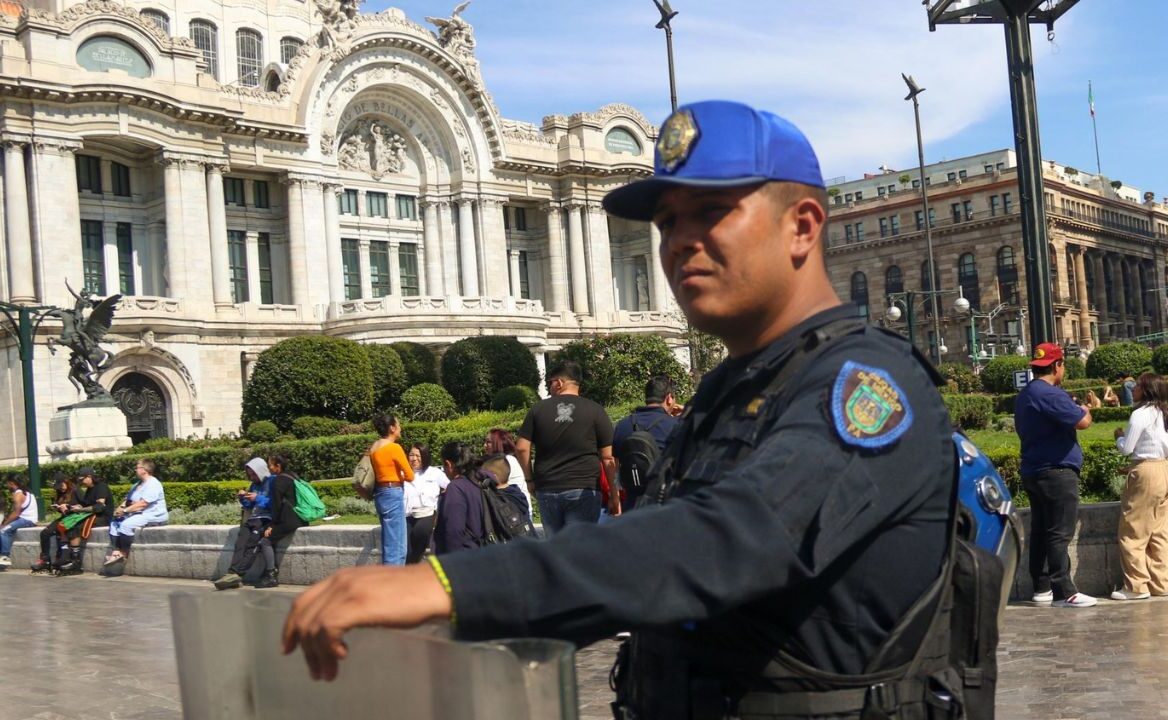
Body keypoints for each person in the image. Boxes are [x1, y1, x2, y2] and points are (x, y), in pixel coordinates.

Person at [283, 101, 968, 718]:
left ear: (802, 226)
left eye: (711, 212)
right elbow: (651, 568)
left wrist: (452, 584)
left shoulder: (869, 386)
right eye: (668, 220)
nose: (678, 242)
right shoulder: (736, 391)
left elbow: (724, 542)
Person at [1015, 342, 1096, 608]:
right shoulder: (1051, 394)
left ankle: (1041, 589)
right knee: (1060, 532)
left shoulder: (1026, 394)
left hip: (1033, 470)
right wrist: (1084, 410)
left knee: (1040, 530)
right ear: (1057, 365)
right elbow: (1082, 422)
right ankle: (1065, 590)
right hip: (1058, 471)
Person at [514, 360, 618, 534]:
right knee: (580, 547)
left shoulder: (538, 410)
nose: (549, 387)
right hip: (584, 487)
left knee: (556, 547)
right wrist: (614, 495)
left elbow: (521, 448)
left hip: (547, 487)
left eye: (550, 382)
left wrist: (530, 480)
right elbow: (608, 458)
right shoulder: (595, 410)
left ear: (560, 383)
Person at [1111, 373, 1168, 600]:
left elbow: (1127, 449)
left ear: (1145, 390)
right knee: (1159, 531)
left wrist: (1119, 437)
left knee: (1132, 530)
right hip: (1164, 468)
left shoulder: (1140, 414)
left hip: (1145, 471)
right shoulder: (1163, 413)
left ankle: (1136, 586)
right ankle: (1160, 583)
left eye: (1136, 387)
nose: (1132, 389)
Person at [612, 375, 682, 511]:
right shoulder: (676, 426)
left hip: (632, 505)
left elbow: (616, 464)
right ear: (669, 398)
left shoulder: (623, 425)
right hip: (666, 505)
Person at [214, 457, 274, 590]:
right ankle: (232, 572)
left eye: (254, 474)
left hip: (265, 519)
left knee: (252, 544)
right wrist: (243, 498)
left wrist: (257, 498)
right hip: (253, 518)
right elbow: (249, 505)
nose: (252, 477)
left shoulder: (272, 482)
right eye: (250, 474)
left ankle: (238, 574)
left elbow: (275, 503)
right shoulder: (253, 485)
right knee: (240, 543)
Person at [104, 459, 169, 568]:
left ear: (145, 470)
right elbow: (127, 501)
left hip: (152, 515)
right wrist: (119, 510)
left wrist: (125, 511)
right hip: (137, 514)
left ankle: (124, 553)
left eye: (137, 467)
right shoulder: (136, 485)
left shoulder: (153, 484)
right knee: (115, 523)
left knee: (126, 525)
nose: (135, 470)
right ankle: (116, 552)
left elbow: (143, 504)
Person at [369, 414, 413, 566]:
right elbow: (410, 475)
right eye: (398, 425)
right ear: (392, 428)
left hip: (380, 493)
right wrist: (400, 477)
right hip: (393, 492)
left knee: (389, 540)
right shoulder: (394, 448)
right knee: (398, 545)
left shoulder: (374, 447)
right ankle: (393, 583)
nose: (400, 428)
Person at [258, 452, 307, 589]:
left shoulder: (278, 481)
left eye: (270, 466)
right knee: (270, 537)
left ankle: (271, 574)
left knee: (265, 540)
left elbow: (277, 506)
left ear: (277, 466)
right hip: (300, 517)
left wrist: (272, 525)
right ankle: (271, 567)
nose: (269, 469)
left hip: (288, 520)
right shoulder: (292, 475)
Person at [54, 467, 114, 573]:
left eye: (82, 480)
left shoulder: (101, 487)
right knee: (66, 524)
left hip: (102, 517)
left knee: (75, 526)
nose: (81, 483)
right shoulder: (89, 489)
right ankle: (68, 557)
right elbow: (85, 504)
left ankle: (76, 562)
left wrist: (81, 509)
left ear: (89, 477)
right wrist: (69, 506)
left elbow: (100, 507)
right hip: (91, 515)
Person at [431, 442, 484, 555]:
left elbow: (453, 531)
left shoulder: (455, 488)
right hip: (481, 551)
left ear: (448, 464)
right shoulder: (478, 481)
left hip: (463, 557)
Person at [404, 444, 443, 565]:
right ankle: (410, 566)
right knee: (406, 546)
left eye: (417, 455)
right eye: (411, 455)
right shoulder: (403, 473)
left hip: (427, 512)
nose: (414, 459)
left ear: (425, 456)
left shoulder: (434, 472)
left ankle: (413, 564)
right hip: (407, 514)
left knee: (421, 531)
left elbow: (450, 487)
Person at [0, 476, 40, 568]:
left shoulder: (18, 494)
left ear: (12, 483)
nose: (6, 485)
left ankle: (5, 556)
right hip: (24, 518)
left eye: (7, 483)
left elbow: (16, 513)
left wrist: (5, 523)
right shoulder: (27, 491)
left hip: (28, 520)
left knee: (5, 530)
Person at [31, 472, 76, 572]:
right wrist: (58, 508)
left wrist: (68, 507)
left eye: (62, 485)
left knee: (61, 531)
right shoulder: (61, 494)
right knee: (45, 533)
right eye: (59, 487)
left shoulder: (76, 491)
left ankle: (63, 558)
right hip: (65, 517)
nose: (61, 488)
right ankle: (45, 560)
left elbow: (82, 506)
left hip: (74, 518)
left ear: (66, 482)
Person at [483, 428, 531, 515]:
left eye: (488, 442)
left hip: (516, 512)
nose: (484, 445)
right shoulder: (504, 460)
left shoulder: (507, 461)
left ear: (498, 443)